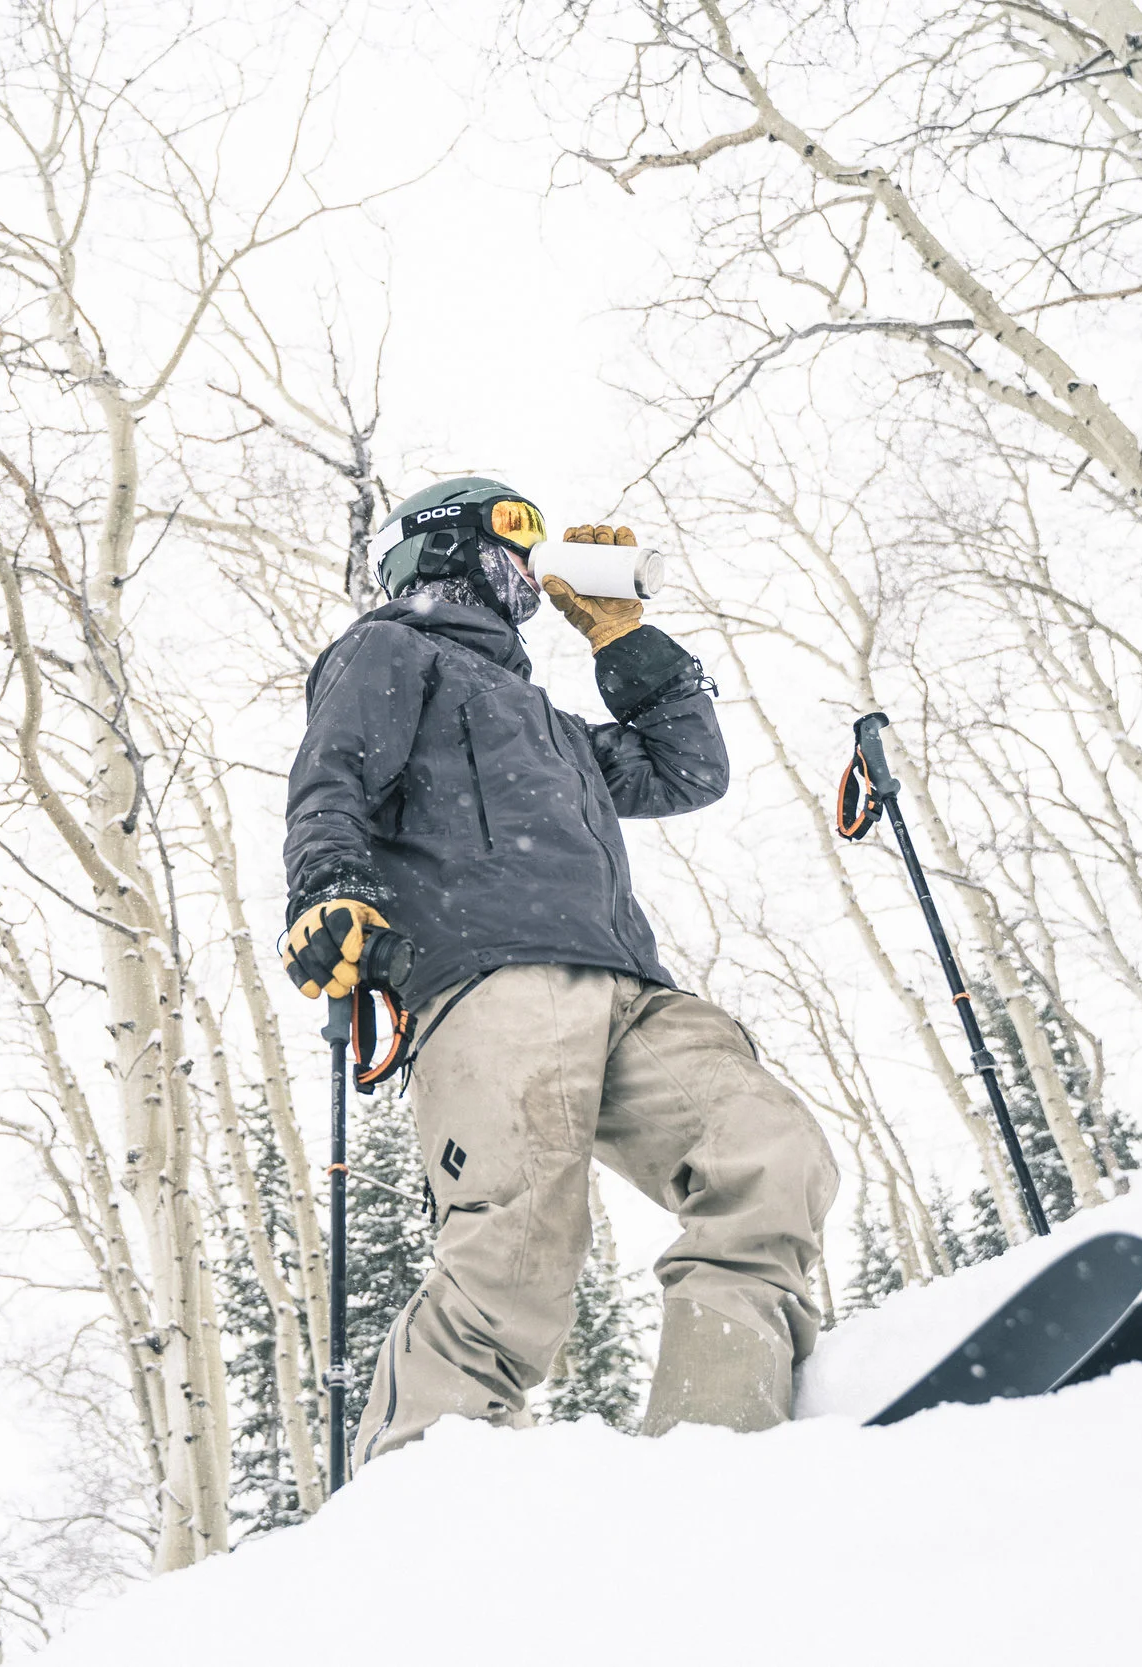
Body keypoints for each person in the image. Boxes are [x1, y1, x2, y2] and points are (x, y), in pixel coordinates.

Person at [281, 475, 838, 1471]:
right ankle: (423, 1507)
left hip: (632, 987)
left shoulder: (549, 723)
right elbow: (334, 775)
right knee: (518, 1255)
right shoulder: (390, 649)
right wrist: (328, 886)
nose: (530, 561)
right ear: (442, 545)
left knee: (767, 1155)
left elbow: (686, 769)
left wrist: (621, 635)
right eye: (512, 531)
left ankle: (720, 1447)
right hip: (490, 977)